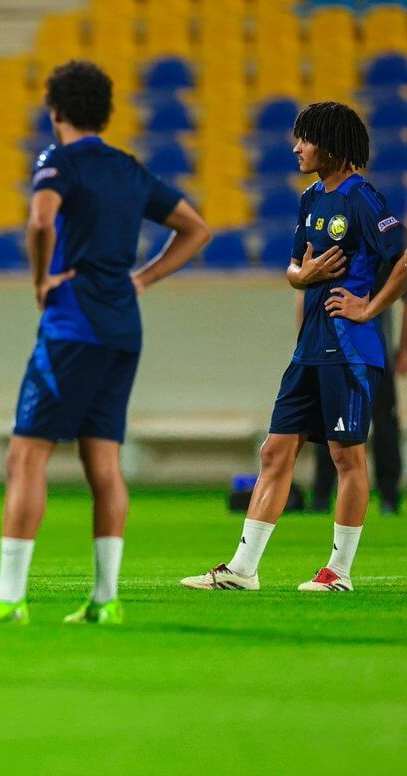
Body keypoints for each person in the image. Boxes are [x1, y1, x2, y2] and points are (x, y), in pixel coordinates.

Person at [0, 61, 211, 625]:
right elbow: (196, 227)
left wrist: (41, 279)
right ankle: (105, 598)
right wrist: (143, 278)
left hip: (73, 327)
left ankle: (10, 596)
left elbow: (41, 221)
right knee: (104, 463)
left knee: (26, 457)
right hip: (122, 328)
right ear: (105, 111)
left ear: (56, 112)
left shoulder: (58, 161)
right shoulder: (129, 168)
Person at [183, 101, 406, 593]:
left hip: (350, 348)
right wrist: (301, 277)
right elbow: (293, 269)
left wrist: (369, 309)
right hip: (310, 347)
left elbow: (403, 260)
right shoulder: (310, 199)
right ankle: (242, 570)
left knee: (347, 456)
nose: (296, 147)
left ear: (330, 143)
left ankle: (338, 573)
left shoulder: (363, 198)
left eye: (305, 138)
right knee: (274, 451)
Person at [307, 275, 405, 515]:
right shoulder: (332, 249)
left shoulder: (385, 251)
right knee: (329, 423)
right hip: (333, 353)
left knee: (383, 424)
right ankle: (321, 495)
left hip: (375, 355)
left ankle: (389, 496)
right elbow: (305, 298)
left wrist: (403, 350)